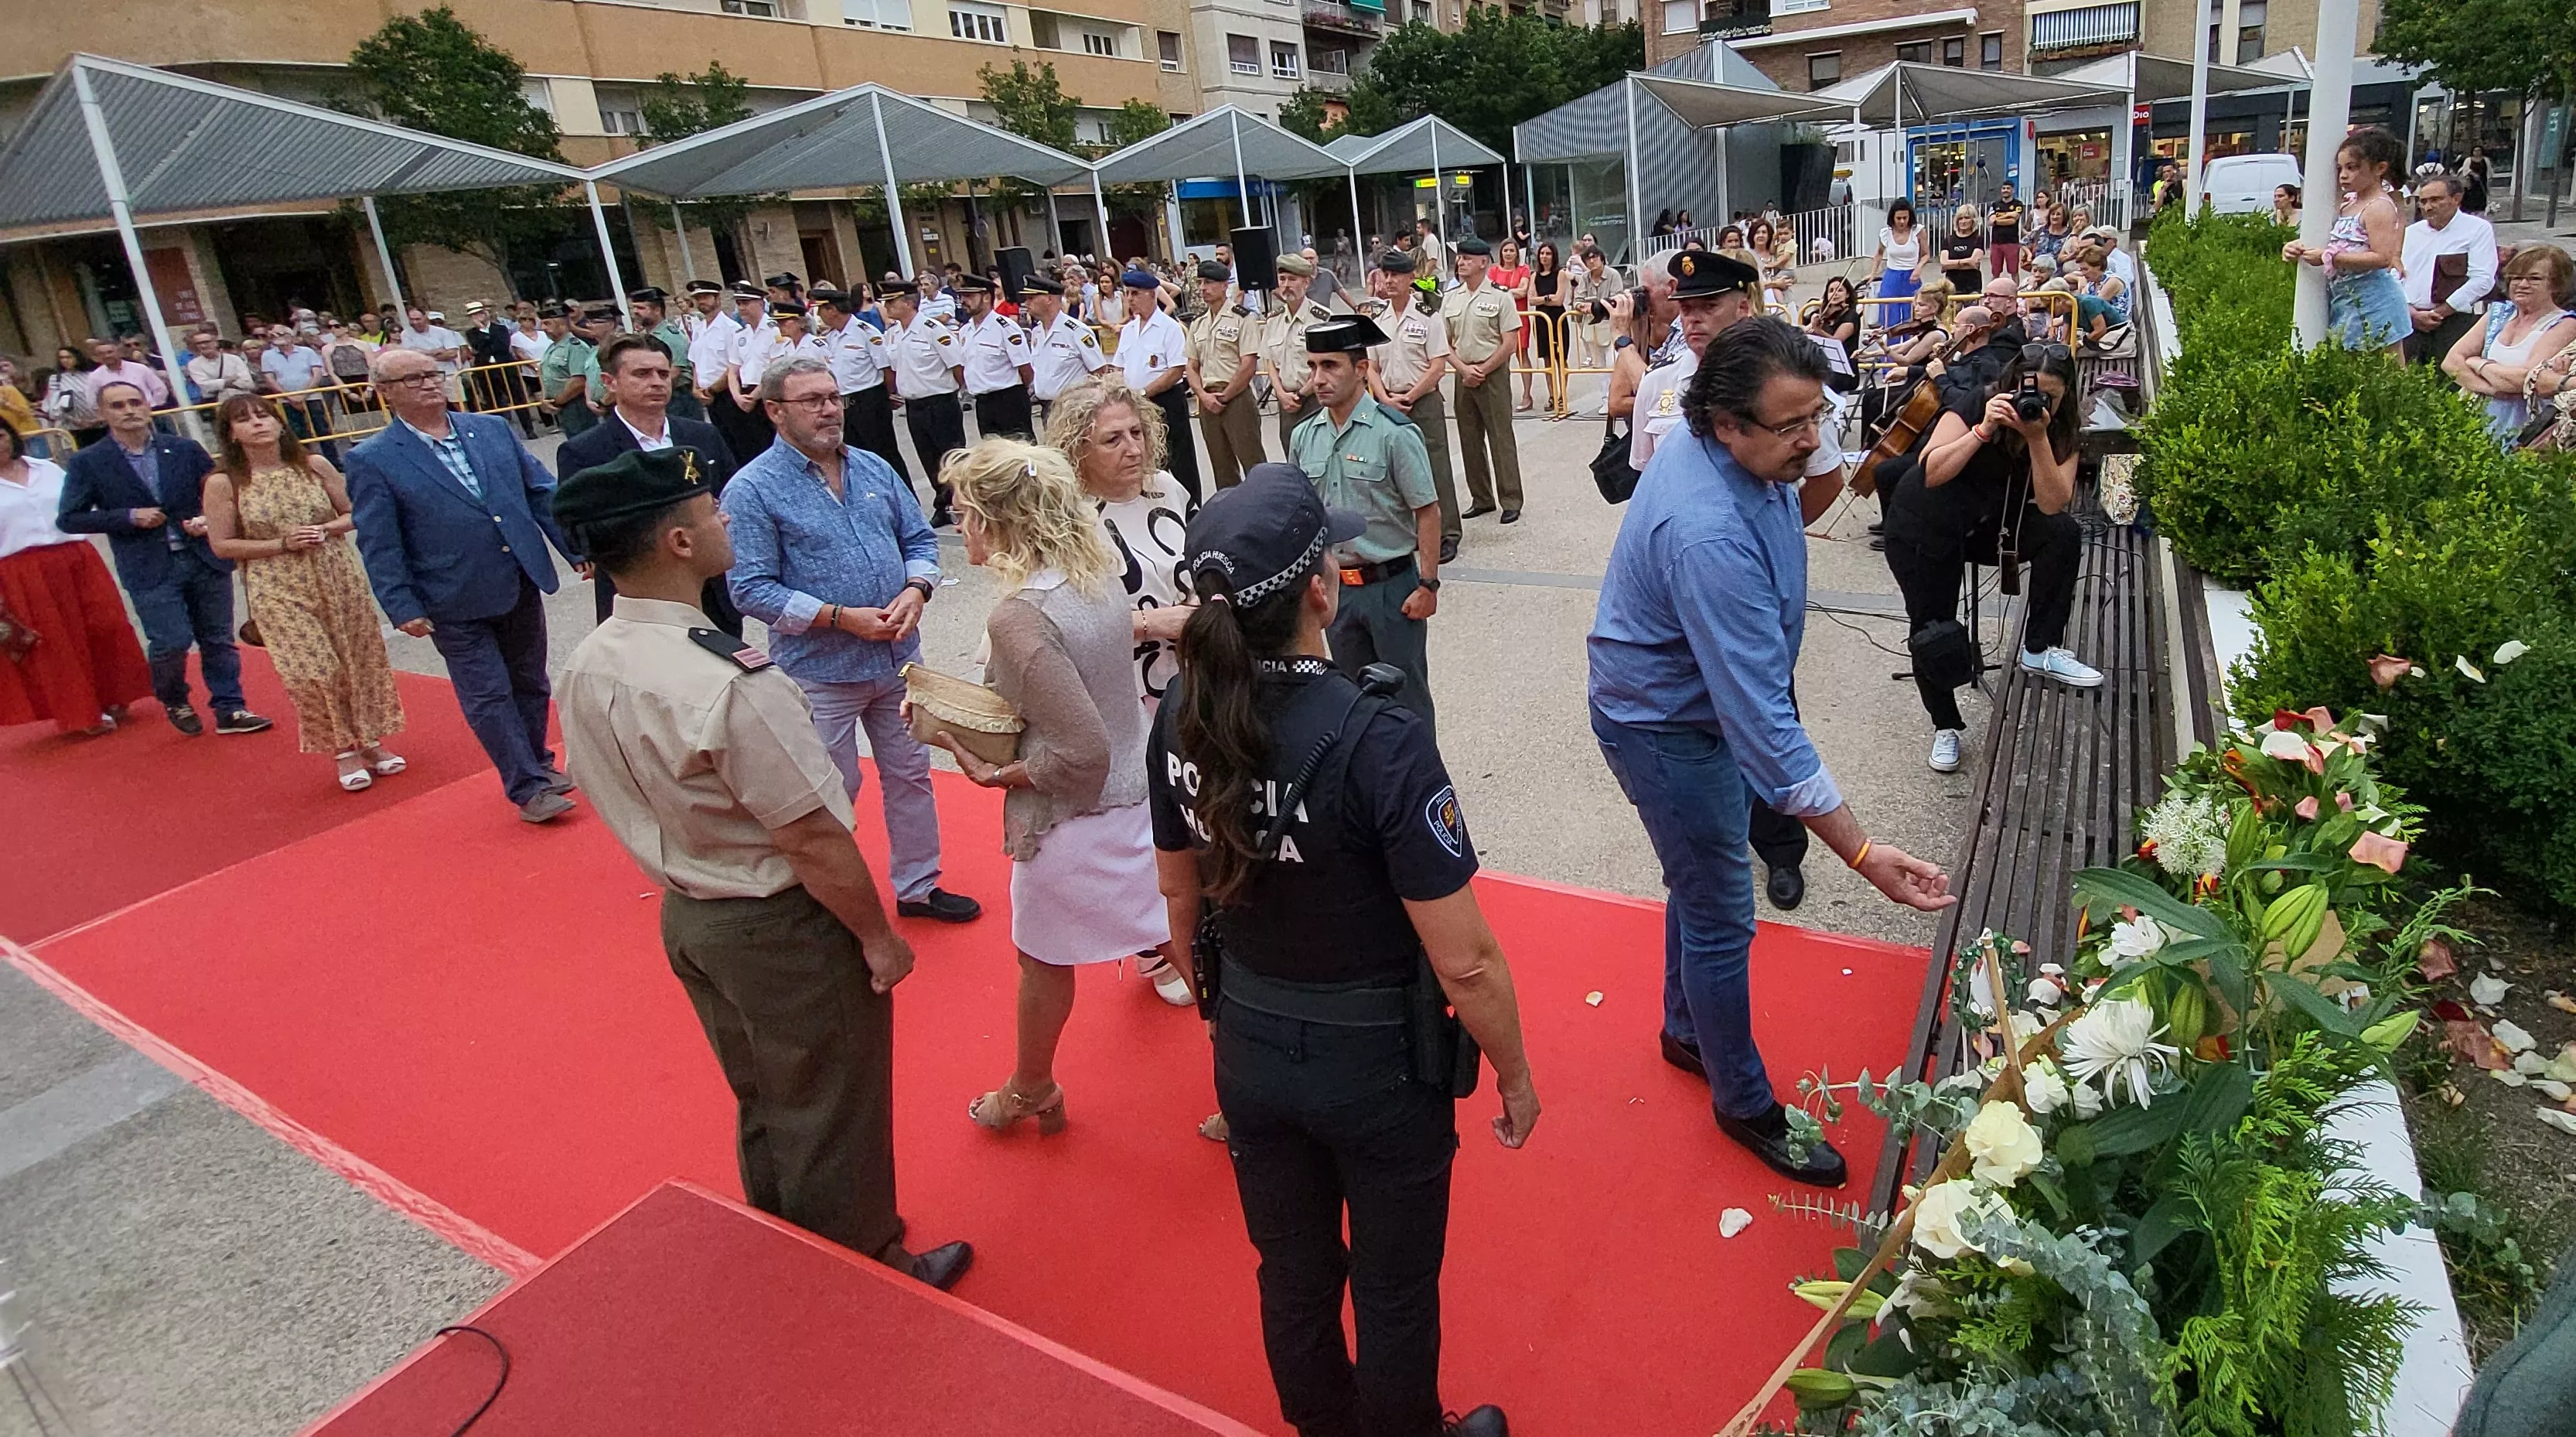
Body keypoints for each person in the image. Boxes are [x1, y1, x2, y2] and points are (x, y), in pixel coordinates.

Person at [1148, 462, 1533, 1437]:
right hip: (1376, 1063)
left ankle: (1322, 1419)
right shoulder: (1379, 736)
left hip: (1251, 1039)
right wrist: (1515, 1072)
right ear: (1320, 589)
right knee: (1396, 1287)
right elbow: (1467, 959)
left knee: (1292, 1265)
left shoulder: (1179, 714)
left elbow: (1176, 892)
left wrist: (1222, 1014)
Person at [548, 446, 972, 1292]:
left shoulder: (595, 657)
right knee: (831, 1097)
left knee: (764, 1089)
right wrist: (878, 938)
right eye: (709, 512)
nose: (726, 519)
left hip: (691, 909)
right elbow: (813, 836)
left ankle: (787, 1222)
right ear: (676, 541)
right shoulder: (730, 681)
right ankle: (866, 1256)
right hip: (777, 918)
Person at [1590, 318, 1954, 1186]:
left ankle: (1686, 1029)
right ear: (1724, 423)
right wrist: (1865, 854)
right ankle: (1741, 1097)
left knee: (1697, 880)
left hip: (1689, 709)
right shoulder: (1705, 532)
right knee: (1722, 910)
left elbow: (1811, 480)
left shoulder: (1740, 445)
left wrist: (1813, 434)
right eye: (1789, 426)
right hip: (1668, 729)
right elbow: (1765, 731)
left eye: (1816, 416)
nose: (1810, 440)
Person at [927, 438, 1180, 1132]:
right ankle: (1259, 1087)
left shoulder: (1018, 614)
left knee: (1041, 958)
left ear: (995, 519)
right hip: (1140, 802)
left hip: (1076, 822)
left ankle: (1030, 1088)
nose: (957, 523)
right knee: (1185, 944)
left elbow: (1077, 750)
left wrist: (992, 769)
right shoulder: (1091, 574)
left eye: (963, 510)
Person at [722, 357, 981, 925]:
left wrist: (917, 589)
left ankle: (918, 887)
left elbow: (919, 540)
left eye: (834, 397)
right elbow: (749, 588)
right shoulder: (751, 490)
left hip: (897, 663)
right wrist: (838, 617)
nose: (829, 409)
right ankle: (833, 904)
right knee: (828, 791)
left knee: (911, 774)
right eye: (811, 400)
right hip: (819, 671)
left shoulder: (872, 468)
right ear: (774, 412)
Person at [1627, 253, 1842, 911]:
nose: (1692, 319)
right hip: (1688, 598)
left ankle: (1780, 852)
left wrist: (1754, 545)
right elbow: (1645, 488)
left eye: (1707, 306)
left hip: (1738, 598)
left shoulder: (1788, 381)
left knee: (1767, 713)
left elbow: (1822, 476)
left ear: (1742, 305)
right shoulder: (1659, 387)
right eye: (1684, 307)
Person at [345, 347, 576, 822]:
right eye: (414, 379)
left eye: (435, 373)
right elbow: (379, 539)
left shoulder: (489, 430)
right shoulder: (374, 459)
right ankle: (527, 787)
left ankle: (538, 761)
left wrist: (577, 549)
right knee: (488, 693)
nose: (431, 384)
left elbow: (540, 493)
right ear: (385, 394)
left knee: (529, 681)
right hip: (449, 595)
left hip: (516, 577)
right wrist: (401, 603)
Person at [1881, 341, 2101, 774]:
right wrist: (1982, 430)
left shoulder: (2064, 427)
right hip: (1926, 522)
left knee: (2062, 533)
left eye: (2049, 396)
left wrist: (2038, 436)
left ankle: (2040, 648)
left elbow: (2054, 501)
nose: (2033, 401)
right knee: (1934, 629)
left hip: (1992, 524)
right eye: (2027, 391)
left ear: (2066, 396)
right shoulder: (1978, 401)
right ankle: (1945, 725)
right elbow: (1930, 472)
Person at [200, 395, 404, 790]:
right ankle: (342, 749)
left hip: (335, 572)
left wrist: (327, 529)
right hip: (276, 582)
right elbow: (222, 544)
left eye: (264, 416)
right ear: (231, 433)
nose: (258, 424)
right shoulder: (224, 483)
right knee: (314, 669)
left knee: (356, 658)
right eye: (245, 420)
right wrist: (281, 544)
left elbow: (353, 512)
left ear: (281, 423)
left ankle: (372, 740)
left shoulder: (313, 465)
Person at [56, 380, 271, 738]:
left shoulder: (183, 449)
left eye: (134, 402)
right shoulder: (89, 462)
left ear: (148, 406)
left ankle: (230, 707)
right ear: (102, 414)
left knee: (217, 637)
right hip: (149, 564)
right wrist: (126, 517)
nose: (129, 411)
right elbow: (69, 518)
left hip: (202, 557)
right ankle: (174, 697)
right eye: (118, 405)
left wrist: (208, 520)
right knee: (171, 639)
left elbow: (219, 491)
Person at [1290, 319, 1443, 734]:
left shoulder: (1394, 434)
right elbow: (1303, 515)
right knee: (1350, 703)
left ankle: (1420, 789)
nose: (1318, 379)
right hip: (1337, 590)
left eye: (1330, 366)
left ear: (1361, 369)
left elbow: (1427, 510)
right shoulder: (1304, 436)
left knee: (1406, 702)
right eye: (1313, 367)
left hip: (1392, 589)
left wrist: (1428, 584)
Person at [558, 333, 743, 633]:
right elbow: (578, 534)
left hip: (711, 595)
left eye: (662, 373)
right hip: (638, 601)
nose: (656, 382)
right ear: (610, 381)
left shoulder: (701, 437)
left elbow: (733, 499)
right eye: (641, 374)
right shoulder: (585, 452)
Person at [0, 423, 150, 736]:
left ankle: (115, 695)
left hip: (77, 556)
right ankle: (83, 713)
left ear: (11, 436)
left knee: (105, 625)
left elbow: (81, 506)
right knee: (56, 642)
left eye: (0, 436)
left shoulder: (49, 469)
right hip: (22, 569)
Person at [1364, 251, 1462, 562]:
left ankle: (1447, 533)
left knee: (1436, 468)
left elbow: (1438, 366)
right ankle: (1413, 531)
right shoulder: (1378, 320)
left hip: (1423, 402)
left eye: (1396, 275)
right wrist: (1384, 397)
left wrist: (1411, 396)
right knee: (1398, 471)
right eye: (1385, 275)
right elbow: (1370, 367)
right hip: (1389, 401)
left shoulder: (1427, 316)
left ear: (1411, 279)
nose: (1389, 281)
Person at [2282, 128, 2411, 354]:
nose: (2343, 175)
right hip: (2347, 300)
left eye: (2352, 168)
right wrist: (2297, 247)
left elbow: (2382, 257)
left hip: (2377, 302)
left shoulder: (2379, 207)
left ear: (2380, 168)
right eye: (2340, 169)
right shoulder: (2349, 203)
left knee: (2390, 373)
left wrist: (2329, 257)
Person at [2445, 245, 2576, 442]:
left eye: (2534, 279)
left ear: (2556, 285)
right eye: (2516, 277)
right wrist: (2492, 391)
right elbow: (2450, 363)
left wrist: (2477, 363)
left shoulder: (2565, 324)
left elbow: (2526, 379)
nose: (2522, 284)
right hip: (2477, 418)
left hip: (2525, 427)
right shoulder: (2498, 313)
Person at [1445, 238, 1524, 526]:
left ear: (1483, 262)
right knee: (1469, 438)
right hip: (1462, 374)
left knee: (1500, 437)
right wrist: (1463, 369)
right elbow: (1445, 342)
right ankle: (1481, 498)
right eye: (1459, 258)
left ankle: (1511, 499)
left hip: (1492, 373)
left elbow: (1510, 342)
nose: (1461, 262)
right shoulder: (1451, 299)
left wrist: (1483, 369)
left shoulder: (1501, 297)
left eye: (1467, 258)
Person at [882, 284, 967, 526]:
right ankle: (943, 504)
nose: (887, 307)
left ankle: (963, 503)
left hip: (940, 402)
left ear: (908, 303)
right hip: (914, 404)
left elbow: (956, 365)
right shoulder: (894, 333)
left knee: (951, 456)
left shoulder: (932, 329)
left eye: (892, 301)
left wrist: (956, 394)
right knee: (927, 457)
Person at [1116, 267, 1201, 503]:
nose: (1130, 299)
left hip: (1165, 402)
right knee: (1148, 459)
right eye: (1128, 294)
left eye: (1136, 293)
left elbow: (1175, 371)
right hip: (1136, 405)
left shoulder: (1169, 328)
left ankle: (1191, 507)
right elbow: (1119, 367)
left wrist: (1144, 393)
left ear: (1152, 294)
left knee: (1179, 460)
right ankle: (1157, 506)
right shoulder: (1129, 331)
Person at [807, 284, 906, 483]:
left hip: (869, 400)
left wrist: (886, 396)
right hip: (844, 402)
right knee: (854, 457)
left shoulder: (865, 332)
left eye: (821, 310)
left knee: (883, 454)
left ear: (832, 310)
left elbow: (886, 369)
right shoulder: (832, 336)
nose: (819, 315)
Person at [2401, 172, 2499, 367]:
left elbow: (2483, 279)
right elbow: (2396, 274)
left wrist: (2442, 311)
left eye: (2436, 200)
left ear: (2456, 199)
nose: (2428, 207)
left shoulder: (2477, 229)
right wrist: (2411, 312)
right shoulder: (2410, 233)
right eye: (2424, 201)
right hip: (2410, 321)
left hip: (2454, 320)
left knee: (2450, 381)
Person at [1185, 260, 1265, 490]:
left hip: (1236, 398)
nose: (1203, 288)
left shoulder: (1243, 318)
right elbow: (1191, 366)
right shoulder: (1198, 323)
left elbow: (1248, 364)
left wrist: (1225, 396)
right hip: (1207, 401)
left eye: (1209, 282)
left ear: (1224, 286)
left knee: (1253, 462)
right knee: (1221, 467)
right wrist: (1202, 395)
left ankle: (1262, 510)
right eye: (1200, 283)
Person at [1264, 254, 1338, 454]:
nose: (1286, 285)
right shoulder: (1274, 320)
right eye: (1283, 280)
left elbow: (1327, 364)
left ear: (1306, 283)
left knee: (1320, 454)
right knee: (1291, 454)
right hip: (1285, 399)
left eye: (1293, 279)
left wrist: (1300, 395)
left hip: (1315, 398)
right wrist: (1280, 393)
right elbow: (1270, 361)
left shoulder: (1321, 318)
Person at [1018, 274, 1109, 425]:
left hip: (1073, 408)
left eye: (1031, 298)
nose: (1026, 303)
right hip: (1047, 408)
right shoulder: (1037, 332)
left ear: (1049, 299)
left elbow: (1099, 371)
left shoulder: (1075, 331)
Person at [956, 274, 1035, 441]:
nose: (963, 301)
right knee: (993, 457)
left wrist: (1019, 395)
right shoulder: (965, 331)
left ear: (986, 297)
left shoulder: (1005, 327)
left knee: (1021, 454)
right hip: (983, 403)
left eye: (969, 296)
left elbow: (1025, 368)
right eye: (962, 296)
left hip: (1008, 400)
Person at [1527, 241, 1568, 416]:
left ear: (1554, 256)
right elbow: (1531, 300)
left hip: (1558, 318)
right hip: (1541, 320)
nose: (1544, 257)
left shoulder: (1560, 274)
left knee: (1561, 358)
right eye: (1542, 253)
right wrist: (1546, 298)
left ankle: (1562, 394)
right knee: (1547, 359)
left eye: (1548, 254)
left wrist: (1542, 298)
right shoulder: (1534, 276)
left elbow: (1559, 299)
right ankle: (1552, 394)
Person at [80, 336, 172, 412]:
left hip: (148, 414)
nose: (107, 356)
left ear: (119, 353)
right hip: (118, 418)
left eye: (110, 352)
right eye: (102, 354)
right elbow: (92, 402)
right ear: (97, 357)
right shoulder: (95, 377)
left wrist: (153, 406)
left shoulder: (140, 368)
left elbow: (160, 389)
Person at [1804, 276, 1861, 391]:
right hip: (1823, 367)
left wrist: (1818, 331)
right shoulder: (1821, 314)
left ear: (1848, 295)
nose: (1835, 294)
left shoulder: (1851, 316)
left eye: (1839, 290)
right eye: (1831, 291)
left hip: (1845, 372)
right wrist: (1807, 329)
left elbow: (1836, 341)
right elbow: (1804, 331)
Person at [41, 346, 104, 449]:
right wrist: (75, 420)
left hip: (99, 423)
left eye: (69, 357)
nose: (65, 361)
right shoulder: (56, 379)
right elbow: (54, 404)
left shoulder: (92, 375)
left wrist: (98, 419)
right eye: (62, 358)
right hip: (74, 425)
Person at [182, 329, 258, 408]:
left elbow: (248, 383)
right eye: (199, 343)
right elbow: (206, 387)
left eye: (207, 342)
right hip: (216, 403)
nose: (203, 345)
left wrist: (218, 384)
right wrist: (227, 381)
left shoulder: (234, 359)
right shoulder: (193, 364)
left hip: (243, 399)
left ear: (215, 343)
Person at [1869, 199, 1924, 305]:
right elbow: (1879, 254)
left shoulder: (1918, 231)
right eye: (1899, 218)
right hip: (1892, 275)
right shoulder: (1885, 233)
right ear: (1893, 218)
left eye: (1905, 218)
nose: (1902, 221)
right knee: (1889, 309)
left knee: (1913, 309)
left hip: (1911, 275)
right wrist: (1873, 274)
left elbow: (1926, 255)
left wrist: (1919, 267)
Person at [1938, 205, 1986, 295]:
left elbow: (1974, 263)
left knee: (1972, 309)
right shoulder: (1948, 240)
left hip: (1973, 284)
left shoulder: (1978, 239)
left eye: (1967, 218)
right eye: (1960, 218)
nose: (1963, 222)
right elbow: (1944, 263)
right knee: (1954, 308)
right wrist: (1966, 263)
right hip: (1952, 284)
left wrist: (1952, 264)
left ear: (1973, 220)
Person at [1987, 183, 2025, 278]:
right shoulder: (1995, 205)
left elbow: (2013, 220)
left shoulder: (2018, 204)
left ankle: (2016, 291)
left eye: (2008, 188)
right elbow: (1991, 221)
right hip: (1996, 243)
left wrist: (1998, 218)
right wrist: (2008, 215)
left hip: (2012, 242)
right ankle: (1994, 292)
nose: (2005, 190)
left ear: (2013, 190)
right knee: (1995, 272)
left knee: (2014, 271)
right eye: (2003, 188)